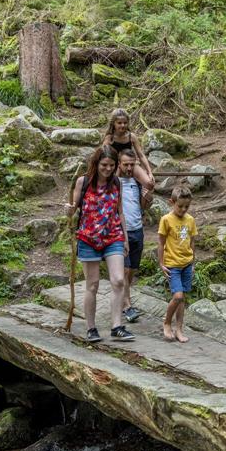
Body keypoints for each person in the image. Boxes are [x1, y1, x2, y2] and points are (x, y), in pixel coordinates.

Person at [66, 145, 135, 342]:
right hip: (88, 238)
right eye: (104, 164)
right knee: (92, 285)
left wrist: (126, 237)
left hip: (113, 235)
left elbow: (119, 211)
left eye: (112, 165)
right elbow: (74, 210)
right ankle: (91, 327)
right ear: (96, 164)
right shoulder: (84, 182)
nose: (108, 169)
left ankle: (117, 326)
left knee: (119, 280)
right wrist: (69, 211)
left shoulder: (116, 183)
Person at [117, 148, 153, 323]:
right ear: (119, 164)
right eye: (126, 164)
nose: (129, 168)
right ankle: (127, 306)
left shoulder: (137, 182)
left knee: (131, 270)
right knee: (124, 269)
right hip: (119, 232)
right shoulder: (114, 182)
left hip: (137, 229)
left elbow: (144, 206)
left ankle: (124, 297)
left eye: (132, 164)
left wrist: (148, 197)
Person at [157, 185, 197, 343]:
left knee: (183, 298)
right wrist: (161, 263)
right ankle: (167, 322)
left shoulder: (190, 220)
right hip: (172, 264)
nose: (183, 209)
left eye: (187, 206)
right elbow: (160, 243)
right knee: (178, 295)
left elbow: (192, 242)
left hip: (186, 263)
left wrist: (193, 262)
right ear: (171, 202)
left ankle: (179, 328)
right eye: (180, 206)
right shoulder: (166, 219)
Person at [102, 108, 156, 193]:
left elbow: (141, 155)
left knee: (149, 183)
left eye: (125, 123)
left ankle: (141, 200)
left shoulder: (131, 137)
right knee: (113, 188)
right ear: (114, 124)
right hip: (115, 166)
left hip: (130, 164)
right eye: (119, 123)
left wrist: (149, 172)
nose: (123, 125)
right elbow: (103, 155)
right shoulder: (110, 138)